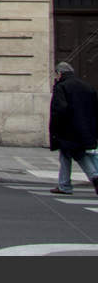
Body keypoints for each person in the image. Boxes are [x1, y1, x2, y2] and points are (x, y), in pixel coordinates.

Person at [48, 61, 98, 195]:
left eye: (56, 74)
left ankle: (67, 185)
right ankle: (65, 185)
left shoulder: (61, 87)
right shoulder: (87, 86)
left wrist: (55, 130)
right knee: (76, 154)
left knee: (69, 155)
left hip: (68, 130)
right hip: (85, 129)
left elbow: (60, 110)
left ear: (59, 73)